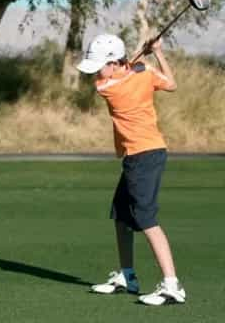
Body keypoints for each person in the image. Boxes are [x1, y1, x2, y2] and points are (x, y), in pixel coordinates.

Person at [76, 34, 186, 306]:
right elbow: (169, 83)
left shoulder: (108, 85)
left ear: (113, 63)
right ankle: (127, 276)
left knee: (146, 219)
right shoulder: (142, 73)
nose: (96, 73)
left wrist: (144, 53)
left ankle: (172, 285)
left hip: (145, 155)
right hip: (139, 154)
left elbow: (126, 79)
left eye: (100, 65)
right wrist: (154, 54)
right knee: (122, 216)